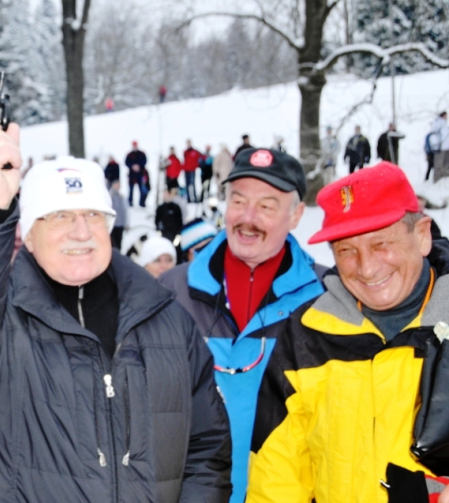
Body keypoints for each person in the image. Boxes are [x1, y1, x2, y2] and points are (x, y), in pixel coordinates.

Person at [0, 118, 233, 503]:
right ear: (28, 234)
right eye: (59, 215)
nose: (80, 231)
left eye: (93, 215)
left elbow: (208, 449)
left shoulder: (167, 319)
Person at [247, 162, 449, 503]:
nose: (367, 267)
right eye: (346, 251)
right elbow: (275, 482)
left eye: (381, 243)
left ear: (422, 235)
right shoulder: (305, 337)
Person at [158, 148, 325, 503]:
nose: (248, 218)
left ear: (296, 215)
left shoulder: (325, 297)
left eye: (267, 206)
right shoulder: (170, 292)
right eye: (238, 201)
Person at [125, 140, 148, 207]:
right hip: (132, 175)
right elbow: (126, 162)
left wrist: (139, 166)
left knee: (142, 189)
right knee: (131, 190)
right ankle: (130, 203)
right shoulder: (129, 154)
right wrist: (132, 166)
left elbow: (144, 161)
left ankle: (141, 203)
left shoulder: (142, 154)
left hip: (140, 174)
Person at [109, 179, 128, 250]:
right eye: (116, 184)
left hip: (120, 224)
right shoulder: (109, 196)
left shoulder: (122, 197)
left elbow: (125, 211)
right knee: (112, 243)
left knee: (119, 242)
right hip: (112, 224)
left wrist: (126, 223)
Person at [430, 111, 449, 182]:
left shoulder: (445, 124)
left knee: (446, 163)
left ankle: (444, 177)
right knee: (439, 163)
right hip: (440, 147)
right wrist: (436, 145)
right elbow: (433, 135)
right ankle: (437, 178)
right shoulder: (437, 123)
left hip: (446, 147)